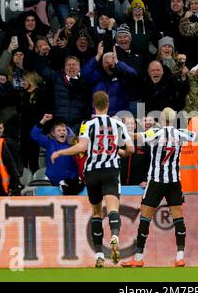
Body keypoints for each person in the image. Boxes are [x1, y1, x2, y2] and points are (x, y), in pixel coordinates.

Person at [121, 107, 198, 268]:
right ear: (174, 120)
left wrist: (121, 129)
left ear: (162, 120)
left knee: (145, 217)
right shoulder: (181, 134)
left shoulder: (155, 133)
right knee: (178, 218)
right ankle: (180, 257)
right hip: (174, 182)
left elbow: (135, 137)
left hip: (157, 181)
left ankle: (138, 258)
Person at [51, 91, 135, 268]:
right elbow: (131, 148)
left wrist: (60, 152)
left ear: (94, 105)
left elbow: (81, 147)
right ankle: (114, 235)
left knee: (97, 212)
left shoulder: (87, 125)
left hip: (92, 172)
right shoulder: (118, 124)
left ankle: (98, 254)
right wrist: (121, 153)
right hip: (111, 170)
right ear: (108, 105)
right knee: (113, 208)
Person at [31, 114, 82, 194]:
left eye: (64, 130)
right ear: (53, 134)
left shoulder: (73, 145)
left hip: (71, 184)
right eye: (59, 130)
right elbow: (34, 135)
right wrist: (43, 120)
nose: (62, 132)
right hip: (53, 184)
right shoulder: (49, 142)